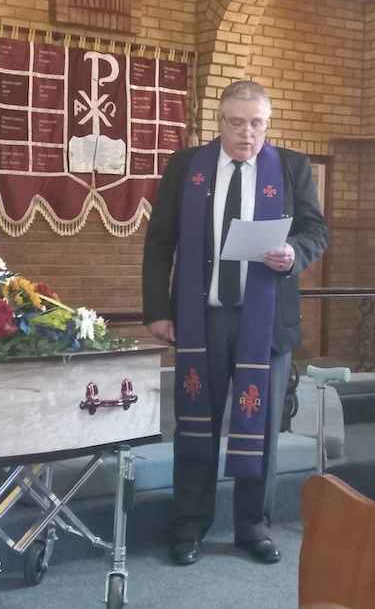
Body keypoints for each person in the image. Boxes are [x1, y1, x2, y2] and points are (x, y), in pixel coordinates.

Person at [143, 80, 328, 566]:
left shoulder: (291, 167)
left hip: (265, 323)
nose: (248, 133)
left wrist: (294, 252)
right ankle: (189, 525)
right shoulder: (187, 167)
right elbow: (160, 240)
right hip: (201, 320)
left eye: (257, 123)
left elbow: (315, 230)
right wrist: (158, 310)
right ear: (219, 121)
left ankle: (253, 527)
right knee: (194, 427)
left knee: (261, 429)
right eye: (238, 122)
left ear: (268, 123)